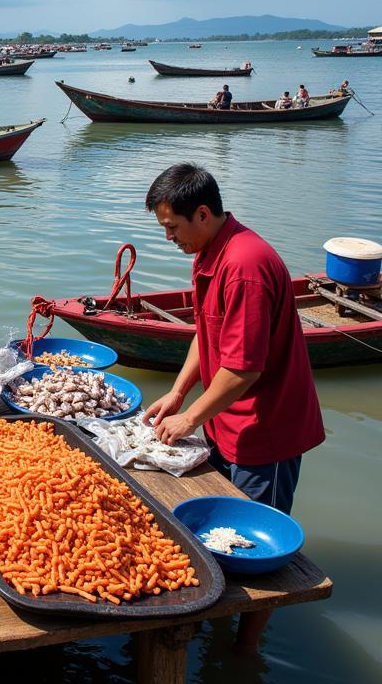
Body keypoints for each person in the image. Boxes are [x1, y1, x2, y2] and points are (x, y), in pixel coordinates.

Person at [143, 164, 324, 653]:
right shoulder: (208, 253)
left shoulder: (245, 265)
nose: (169, 238)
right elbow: (206, 333)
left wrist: (189, 418)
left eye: (173, 228)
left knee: (262, 545)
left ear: (202, 213)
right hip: (225, 419)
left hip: (267, 429)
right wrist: (179, 392)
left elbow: (244, 370)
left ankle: (246, 649)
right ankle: (215, 614)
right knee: (218, 526)